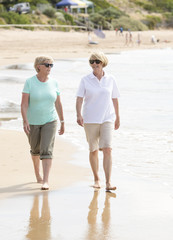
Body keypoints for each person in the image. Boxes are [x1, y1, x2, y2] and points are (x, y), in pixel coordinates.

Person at [76, 51, 120, 191]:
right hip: (90, 119)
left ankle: (108, 182)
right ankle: (96, 179)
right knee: (93, 150)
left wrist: (118, 116)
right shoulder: (85, 79)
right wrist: (78, 114)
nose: (94, 64)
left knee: (107, 149)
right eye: (92, 62)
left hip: (107, 118)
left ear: (103, 63)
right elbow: (79, 98)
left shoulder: (111, 79)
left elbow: (114, 98)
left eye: (97, 61)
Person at [21, 56, 64, 190]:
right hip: (32, 122)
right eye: (47, 65)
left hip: (50, 121)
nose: (49, 67)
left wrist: (62, 121)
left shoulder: (54, 82)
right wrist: (25, 120)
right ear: (38, 66)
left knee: (47, 150)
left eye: (51, 65)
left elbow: (58, 103)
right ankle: (37, 173)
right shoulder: (29, 82)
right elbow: (23, 104)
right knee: (35, 150)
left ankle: (46, 180)